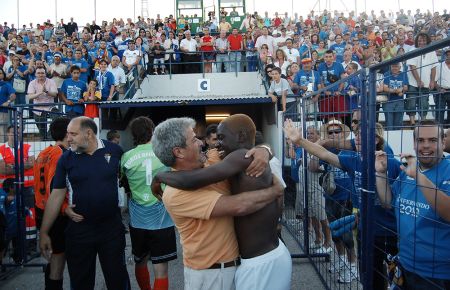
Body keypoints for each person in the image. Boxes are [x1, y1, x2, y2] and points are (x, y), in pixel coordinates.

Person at [150, 117, 285, 290]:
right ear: (179, 152)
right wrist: (274, 191)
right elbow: (239, 205)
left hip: (235, 267)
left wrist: (264, 150)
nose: (201, 143)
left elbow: (247, 145)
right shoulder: (175, 194)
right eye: (194, 139)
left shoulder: (212, 159)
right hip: (209, 276)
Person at [284, 119, 402, 287]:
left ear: (376, 140)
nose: (359, 139)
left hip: (391, 232)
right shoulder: (353, 160)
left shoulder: (392, 163)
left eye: (365, 136)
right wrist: (299, 141)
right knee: (369, 279)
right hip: (366, 231)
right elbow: (324, 154)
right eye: (357, 135)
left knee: (397, 281)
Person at [39, 117, 131, 290]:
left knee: (118, 281)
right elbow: (56, 195)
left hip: (111, 229)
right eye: (67, 134)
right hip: (79, 231)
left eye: (73, 134)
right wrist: (44, 232)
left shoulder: (116, 151)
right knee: (81, 283)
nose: (68, 138)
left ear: (88, 133)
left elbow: (128, 182)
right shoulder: (66, 159)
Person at [375, 120, 450, 289]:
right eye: (420, 140)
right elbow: (388, 203)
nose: (425, 146)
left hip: (436, 274)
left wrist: (419, 176)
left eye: (432, 140)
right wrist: (380, 174)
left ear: (443, 142)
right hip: (405, 263)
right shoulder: (408, 169)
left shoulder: (446, 169)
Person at [120, 117, 177, 290]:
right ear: (153, 131)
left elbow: (123, 181)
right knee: (161, 270)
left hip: (138, 220)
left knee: (140, 262)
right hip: (162, 218)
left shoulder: (126, 157)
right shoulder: (163, 154)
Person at [34, 117, 70, 290]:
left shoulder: (43, 153)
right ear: (67, 134)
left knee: (55, 258)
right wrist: (64, 208)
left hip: (41, 210)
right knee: (58, 262)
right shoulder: (60, 154)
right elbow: (54, 188)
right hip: (54, 213)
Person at [26, 67, 58, 139]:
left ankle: (50, 136)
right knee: (41, 128)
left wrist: (46, 91)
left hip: (50, 106)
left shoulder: (51, 81)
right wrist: (40, 93)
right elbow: (30, 97)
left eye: (42, 73)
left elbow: (55, 94)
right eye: (39, 73)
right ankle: (44, 138)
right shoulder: (32, 83)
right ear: (35, 74)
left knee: (57, 118)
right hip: (38, 108)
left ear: (45, 74)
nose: (40, 75)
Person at [382, 62, 409, 130]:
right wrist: (396, 91)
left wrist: (402, 91)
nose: (394, 68)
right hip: (388, 101)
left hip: (399, 101)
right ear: (390, 67)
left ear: (399, 67)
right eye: (393, 66)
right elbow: (385, 88)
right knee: (389, 124)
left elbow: (406, 87)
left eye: (396, 66)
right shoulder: (386, 74)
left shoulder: (403, 74)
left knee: (398, 123)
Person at [0, 68, 15, 140]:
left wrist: (8, 102)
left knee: (2, 133)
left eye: (0, 73)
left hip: (3, 112)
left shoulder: (7, 84)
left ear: (3, 75)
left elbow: (13, 95)